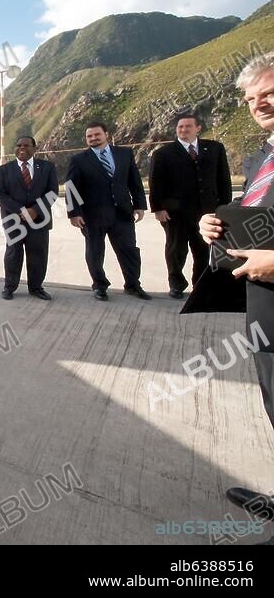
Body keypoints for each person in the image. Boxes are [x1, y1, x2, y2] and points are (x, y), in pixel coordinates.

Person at [198, 53, 274, 533]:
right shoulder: (264, 156)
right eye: (251, 99)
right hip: (265, 308)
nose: (258, 105)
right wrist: (216, 228)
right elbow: (255, 218)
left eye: (269, 93)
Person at [148, 111, 231, 299]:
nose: (183, 129)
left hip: (207, 212)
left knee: (203, 251)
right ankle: (176, 284)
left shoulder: (215, 148)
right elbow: (156, 183)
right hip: (175, 213)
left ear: (198, 128)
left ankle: (200, 285)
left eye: (187, 126)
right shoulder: (163, 154)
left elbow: (223, 179)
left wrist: (224, 207)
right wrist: (158, 208)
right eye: (180, 127)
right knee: (176, 251)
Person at [66, 122, 150, 301]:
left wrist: (140, 205)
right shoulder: (79, 160)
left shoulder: (125, 154)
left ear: (106, 134)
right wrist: (74, 213)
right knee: (95, 252)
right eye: (89, 136)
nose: (93, 138)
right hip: (92, 216)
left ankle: (133, 285)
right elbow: (72, 188)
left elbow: (134, 181)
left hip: (122, 213)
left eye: (97, 134)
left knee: (129, 250)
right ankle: (99, 286)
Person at [0, 136, 58, 301]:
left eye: (26, 145)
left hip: (39, 219)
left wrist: (35, 210)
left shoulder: (47, 167)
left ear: (34, 148)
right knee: (13, 254)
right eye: (19, 145)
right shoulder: (3, 170)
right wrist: (22, 211)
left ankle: (36, 288)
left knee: (38, 254)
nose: (22, 148)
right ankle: (9, 287)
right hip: (13, 220)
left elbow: (52, 192)